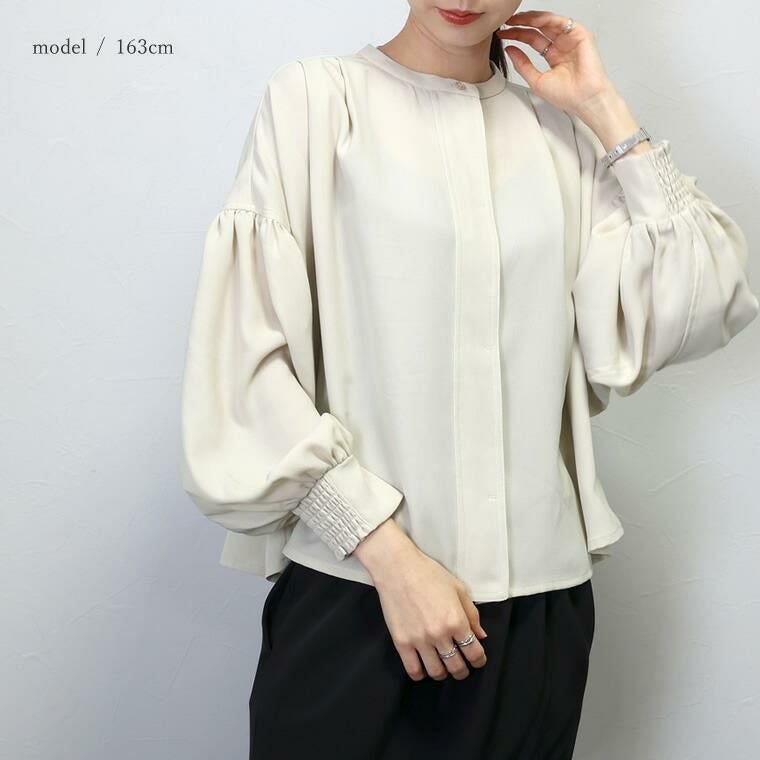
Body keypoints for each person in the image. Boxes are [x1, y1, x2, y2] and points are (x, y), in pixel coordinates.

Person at [179, 2, 759, 758]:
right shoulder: (318, 101)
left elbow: (703, 299)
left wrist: (601, 107)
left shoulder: (559, 135)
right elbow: (244, 367)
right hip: (359, 599)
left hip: (538, 617)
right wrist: (387, 556)